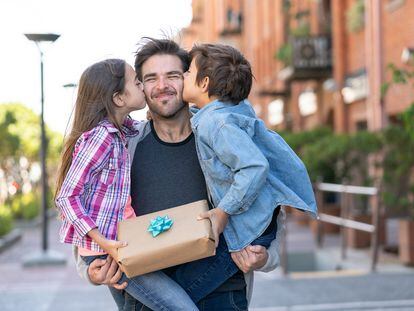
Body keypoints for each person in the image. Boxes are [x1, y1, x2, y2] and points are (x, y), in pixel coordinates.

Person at [75, 38, 285, 311]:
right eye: (151, 78)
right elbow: (89, 211)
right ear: (139, 87)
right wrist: (91, 272)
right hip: (147, 299)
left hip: (222, 293)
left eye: (173, 75)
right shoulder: (123, 146)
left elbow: (266, 202)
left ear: (193, 81)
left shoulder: (222, 135)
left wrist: (266, 256)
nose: (162, 86)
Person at [55, 59, 200, 310]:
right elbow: (67, 197)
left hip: (122, 246)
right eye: (137, 81)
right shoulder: (101, 137)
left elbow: (153, 123)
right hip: (112, 252)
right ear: (119, 99)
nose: (143, 85)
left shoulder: (122, 130)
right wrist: (104, 243)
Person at [182, 43, 317, 257]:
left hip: (251, 228)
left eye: (188, 72)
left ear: (204, 83)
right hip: (261, 219)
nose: (183, 76)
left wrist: (223, 211)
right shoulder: (230, 111)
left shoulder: (217, 124)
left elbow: (254, 167)